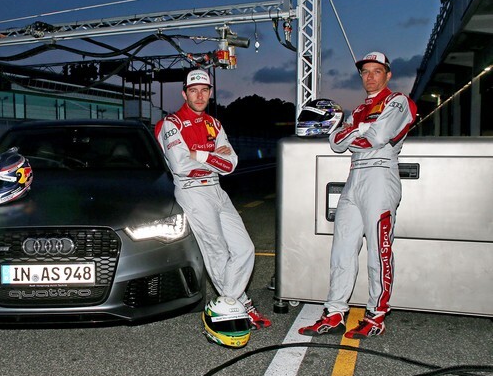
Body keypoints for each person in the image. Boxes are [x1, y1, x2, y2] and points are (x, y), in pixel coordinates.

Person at [299, 51, 417, 339]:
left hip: (381, 175)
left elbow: (378, 137)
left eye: (377, 71)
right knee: (342, 249)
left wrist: (355, 132)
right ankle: (335, 312)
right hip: (354, 177)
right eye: (365, 72)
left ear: (387, 75)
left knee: (379, 250)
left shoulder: (398, 101)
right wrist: (360, 131)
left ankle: (376, 316)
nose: (370, 76)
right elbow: (336, 143)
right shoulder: (359, 110)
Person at [154, 69, 271, 330]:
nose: (199, 95)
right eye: (193, 90)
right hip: (192, 191)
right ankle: (239, 305)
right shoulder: (170, 124)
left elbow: (230, 164)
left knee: (245, 249)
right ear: (184, 93)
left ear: (210, 93)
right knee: (217, 251)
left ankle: (231, 301)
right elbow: (182, 165)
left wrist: (201, 155)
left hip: (217, 189)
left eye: (204, 90)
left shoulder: (215, 125)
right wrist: (211, 158)